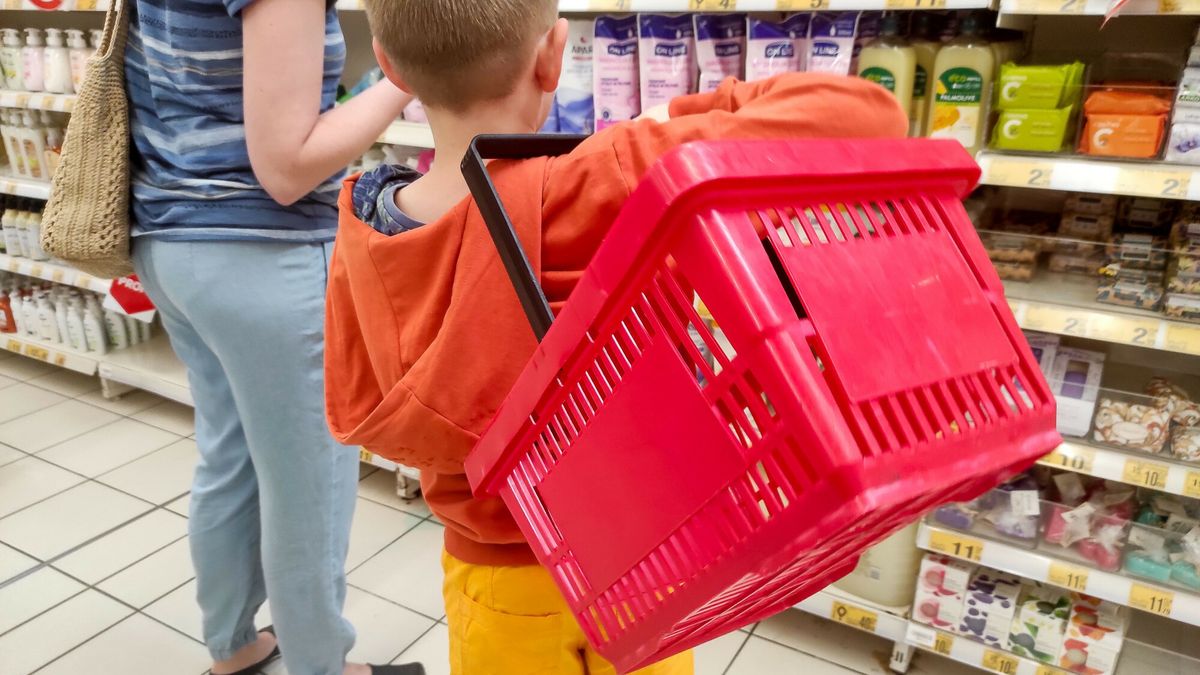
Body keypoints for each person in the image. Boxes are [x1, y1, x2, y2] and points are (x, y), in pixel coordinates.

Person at [323, 1, 908, 673]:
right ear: (553, 56)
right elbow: (869, 115)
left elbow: (354, 388)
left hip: (495, 579)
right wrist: (672, 115)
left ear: (391, 67)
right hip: (640, 568)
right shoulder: (608, 176)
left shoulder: (366, 233)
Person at [125, 1, 423, 674]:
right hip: (261, 251)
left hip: (172, 236)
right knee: (308, 485)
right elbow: (288, 169)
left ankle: (233, 647)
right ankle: (321, 666)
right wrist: (405, 79)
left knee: (228, 457)